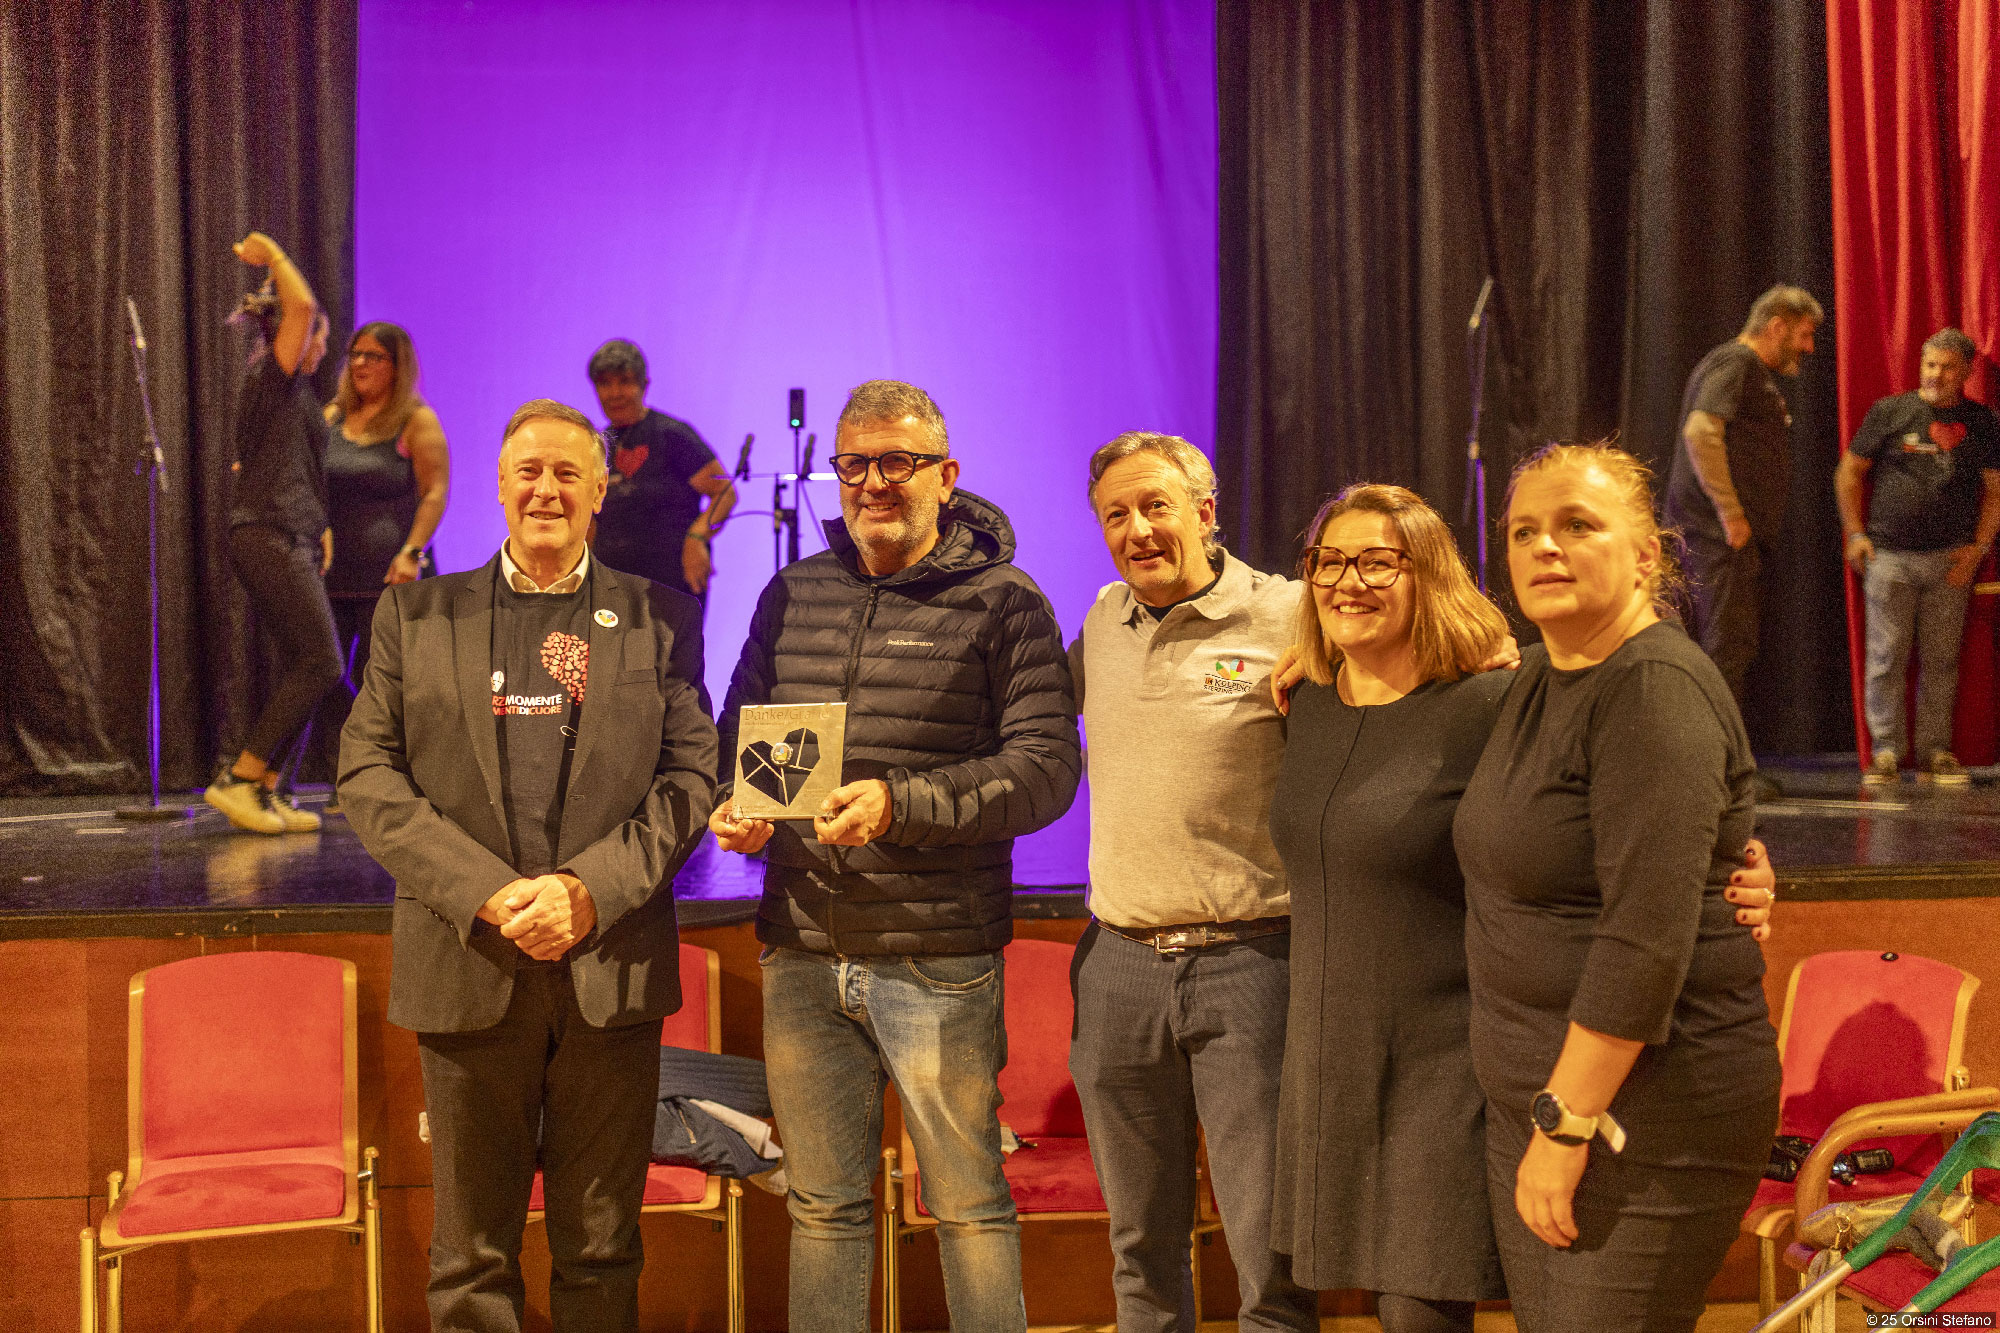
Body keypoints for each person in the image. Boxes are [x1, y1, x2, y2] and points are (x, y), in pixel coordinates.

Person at [1268, 484, 1774, 1333]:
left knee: (1423, 1312)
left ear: (1429, 574)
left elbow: (1648, 806)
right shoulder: (1304, 702)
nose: (1349, 580)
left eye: (1378, 561)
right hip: (1335, 1059)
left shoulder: (1498, 700)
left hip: (1453, 1064)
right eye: (1330, 561)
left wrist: (1743, 860)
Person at [707, 379, 1080, 1333]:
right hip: (801, 949)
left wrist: (898, 803)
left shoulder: (1005, 601)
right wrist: (735, 807)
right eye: (855, 463)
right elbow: (736, 734)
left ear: (945, 476)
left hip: (937, 955)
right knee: (822, 1208)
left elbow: (1045, 771)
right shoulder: (792, 592)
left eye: (897, 462)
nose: (873, 481)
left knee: (967, 1203)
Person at [339, 398, 717, 1332]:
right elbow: (367, 774)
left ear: (600, 491)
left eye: (566, 473)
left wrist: (589, 892)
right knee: (471, 1258)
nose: (546, 489)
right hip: (467, 962)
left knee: (602, 1247)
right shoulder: (414, 614)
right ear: (501, 488)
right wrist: (489, 893)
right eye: (528, 472)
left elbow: (689, 778)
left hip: (610, 968)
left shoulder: (663, 617)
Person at [1455, 442, 1782, 1333]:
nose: (1545, 546)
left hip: (1640, 1122)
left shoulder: (1654, 688)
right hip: (1540, 1105)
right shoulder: (1537, 675)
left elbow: (1643, 942)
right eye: (1525, 531)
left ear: (1645, 555)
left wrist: (1566, 1123)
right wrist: (1311, 664)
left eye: (1577, 525)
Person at [1067, 431, 1318, 1333]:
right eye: (1116, 515)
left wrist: (1490, 652)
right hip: (1120, 968)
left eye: (1155, 506)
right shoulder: (1102, 621)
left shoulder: (1292, 612)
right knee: (1140, 1253)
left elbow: (1435, 636)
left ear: (1206, 512)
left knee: (1269, 1257)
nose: (1137, 530)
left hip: (1251, 964)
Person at [203, 231, 342, 835]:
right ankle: (239, 779)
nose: (322, 347)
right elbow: (302, 306)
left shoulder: (295, 394)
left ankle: (264, 788)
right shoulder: (272, 377)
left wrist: (320, 526)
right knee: (322, 662)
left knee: (305, 665)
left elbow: (297, 465)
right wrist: (274, 253)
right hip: (267, 532)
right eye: (319, 337)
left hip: (289, 532)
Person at [1835, 328, 2000, 785]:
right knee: (1886, 658)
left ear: (1966, 372)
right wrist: (1855, 534)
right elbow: (1849, 472)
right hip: (1889, 558)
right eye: (1930, 364)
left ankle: (1935, 753)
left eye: (1946, 367)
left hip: (1950, 562)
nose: (1935, 374)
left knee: (1941, 662)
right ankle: (1886, 753)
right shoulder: (1890, 412)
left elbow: (1995, 491)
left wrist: (1978, 549)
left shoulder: (1983, 422)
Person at [1662, 284, 1823, 728]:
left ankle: (1707, 752)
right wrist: (1730, 513)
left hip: (1719, 539)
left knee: (1722, 648)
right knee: (1726, 648)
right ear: (1777, 327)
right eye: (1805, 335)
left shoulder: (1744, 369)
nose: (1809, 348)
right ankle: (1718, 758)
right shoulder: (1737, 362)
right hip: (1716, 537)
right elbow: (1701, 432)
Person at [306, 321, 450, 785]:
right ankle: (351, 773)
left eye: (373, 356)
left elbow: (435, 492)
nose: (361, 364)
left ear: (397, 364)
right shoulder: (332, 416)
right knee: (322, 673)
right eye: (355, 354)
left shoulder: (416, 420)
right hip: (331, 572)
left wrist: (412, 551)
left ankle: (388, 778)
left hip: (390, 575)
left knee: (382, 681)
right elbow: (307, 481)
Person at [587, 338, 735, 600]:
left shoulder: (672, 435)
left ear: (644, 385)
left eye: (625, 381)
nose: (615, 393)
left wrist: (697, 538)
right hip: (612, 586)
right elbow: (591, 518)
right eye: (605, 383)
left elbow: (724, 492)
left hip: (672, 584)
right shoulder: (598, 446)